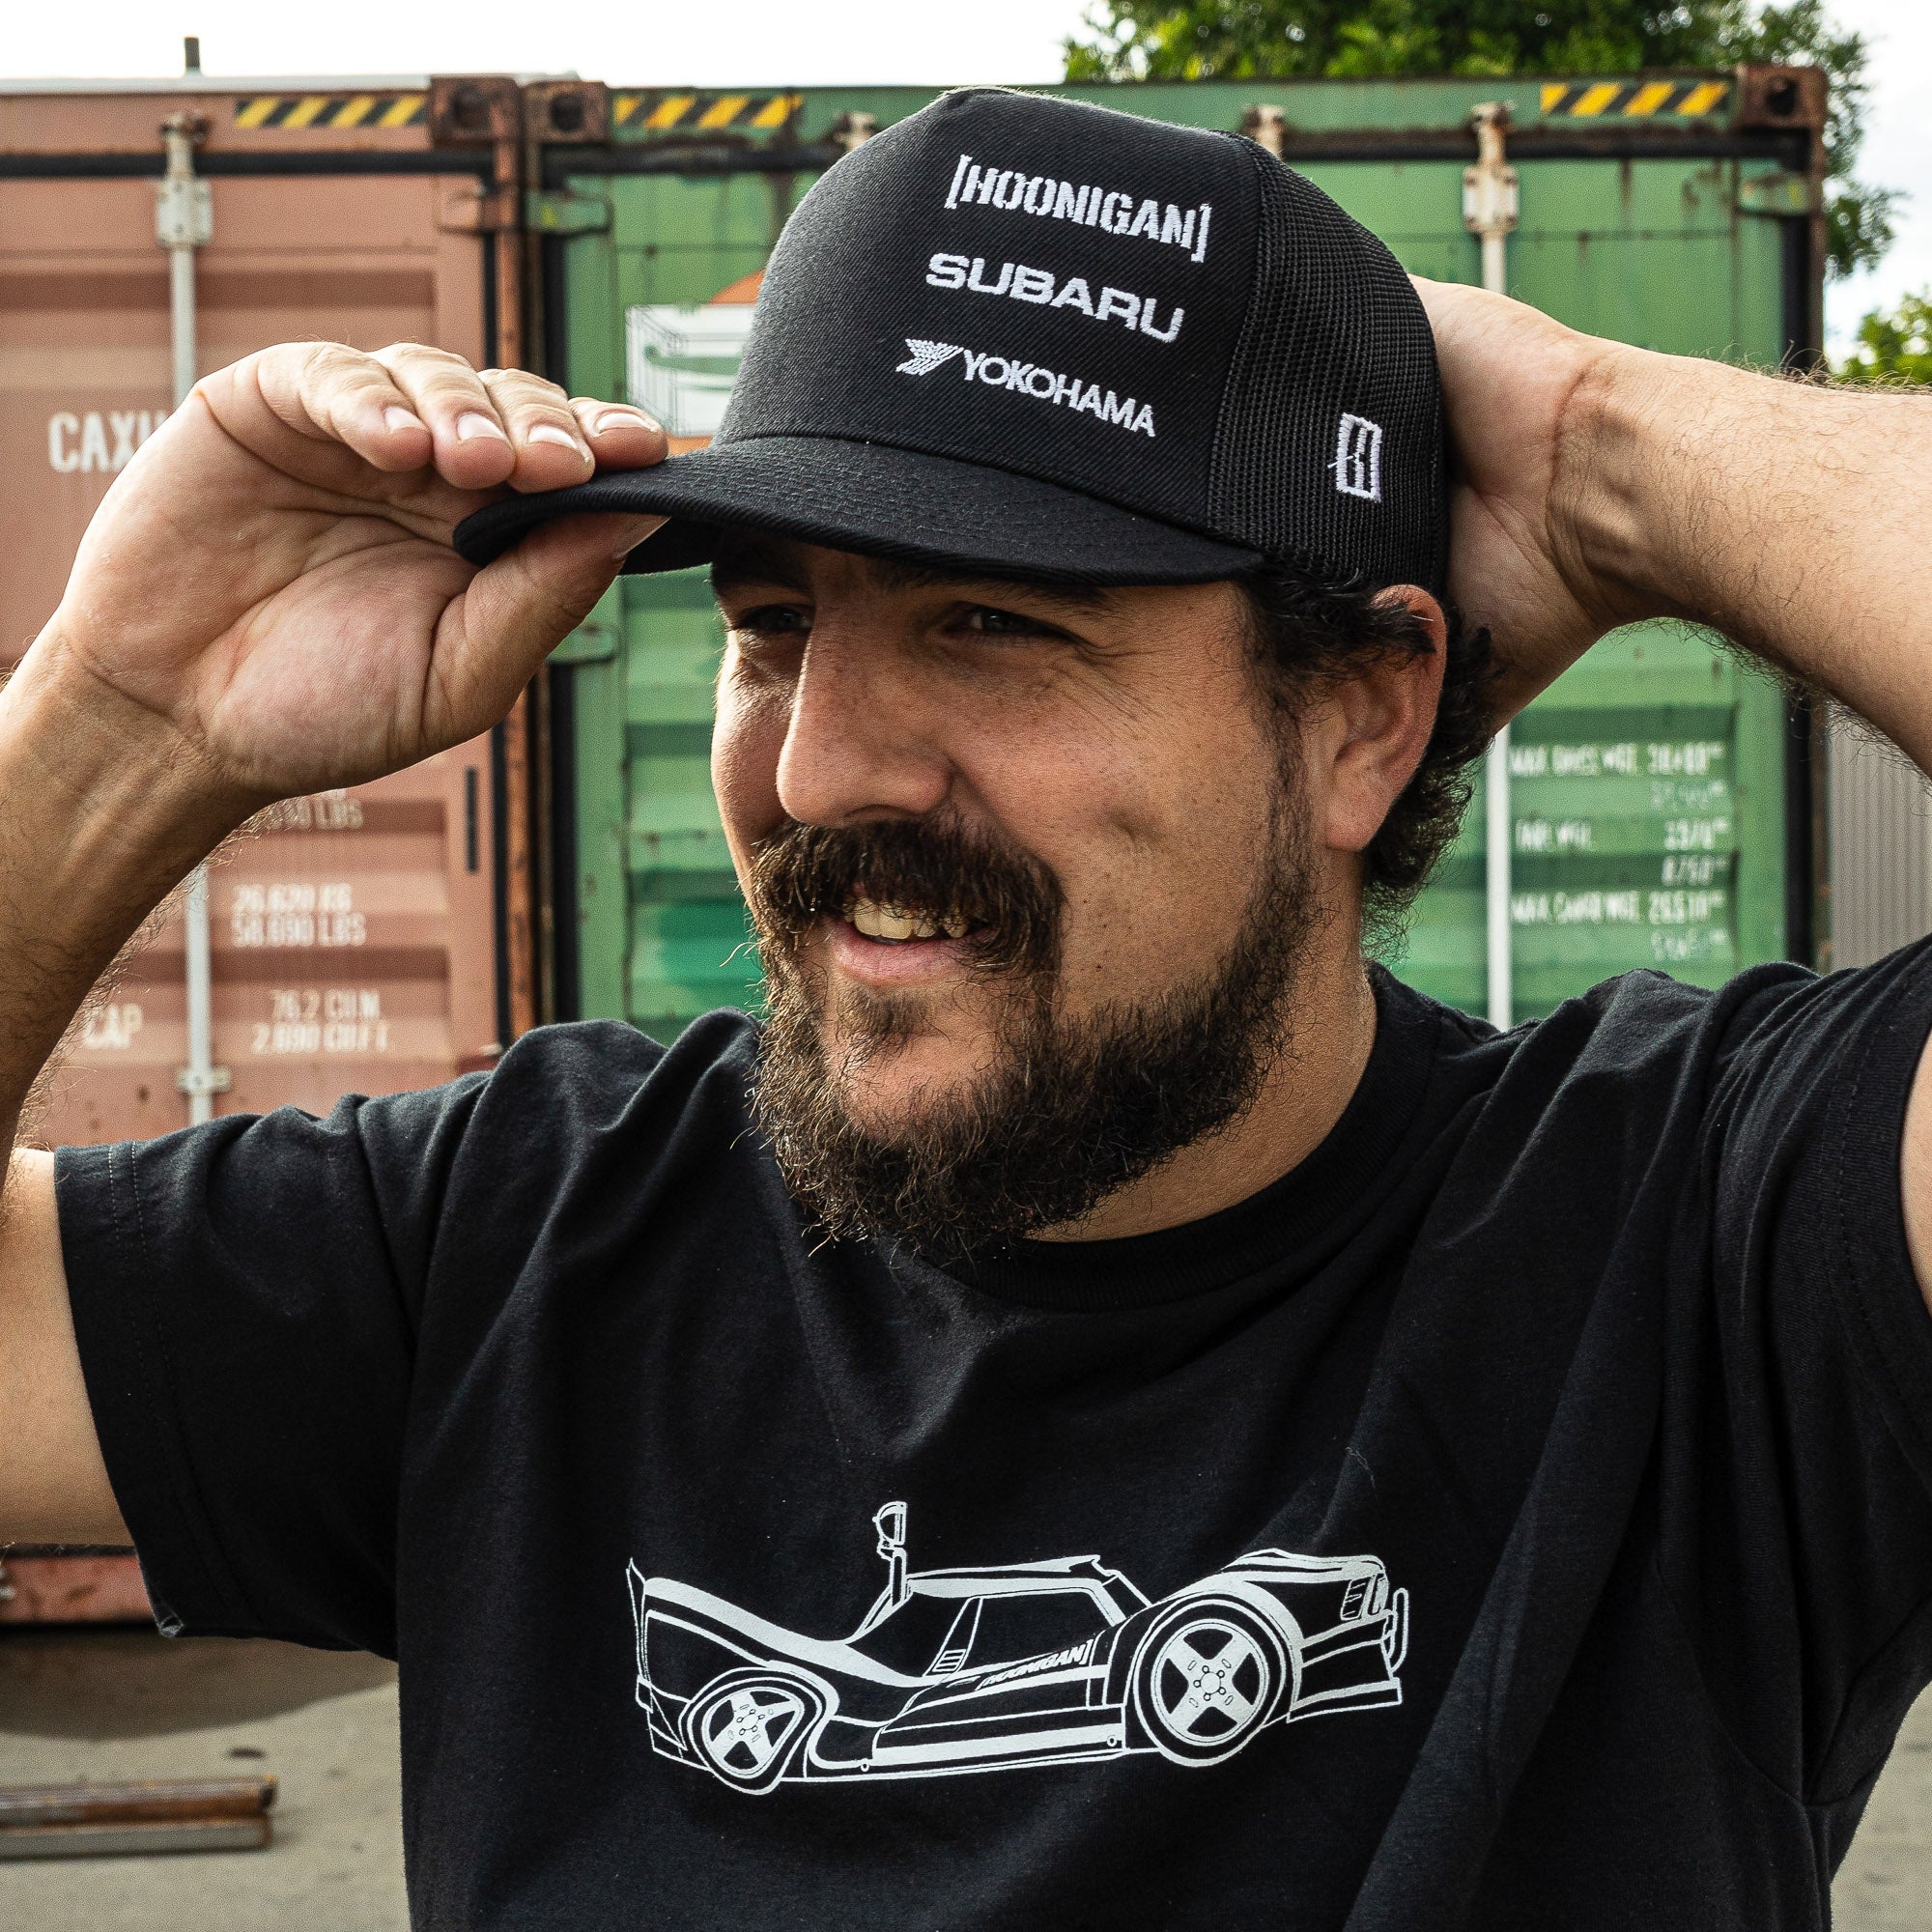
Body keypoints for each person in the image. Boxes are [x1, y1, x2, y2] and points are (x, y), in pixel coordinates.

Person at [3, 83, 1929, 1931]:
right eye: (770, 628)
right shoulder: (538, 1231)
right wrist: (122, 721)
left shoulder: (1703, 1243)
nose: (820, 767)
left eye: (992, 622)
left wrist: (1596, 443)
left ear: (1361, 715)